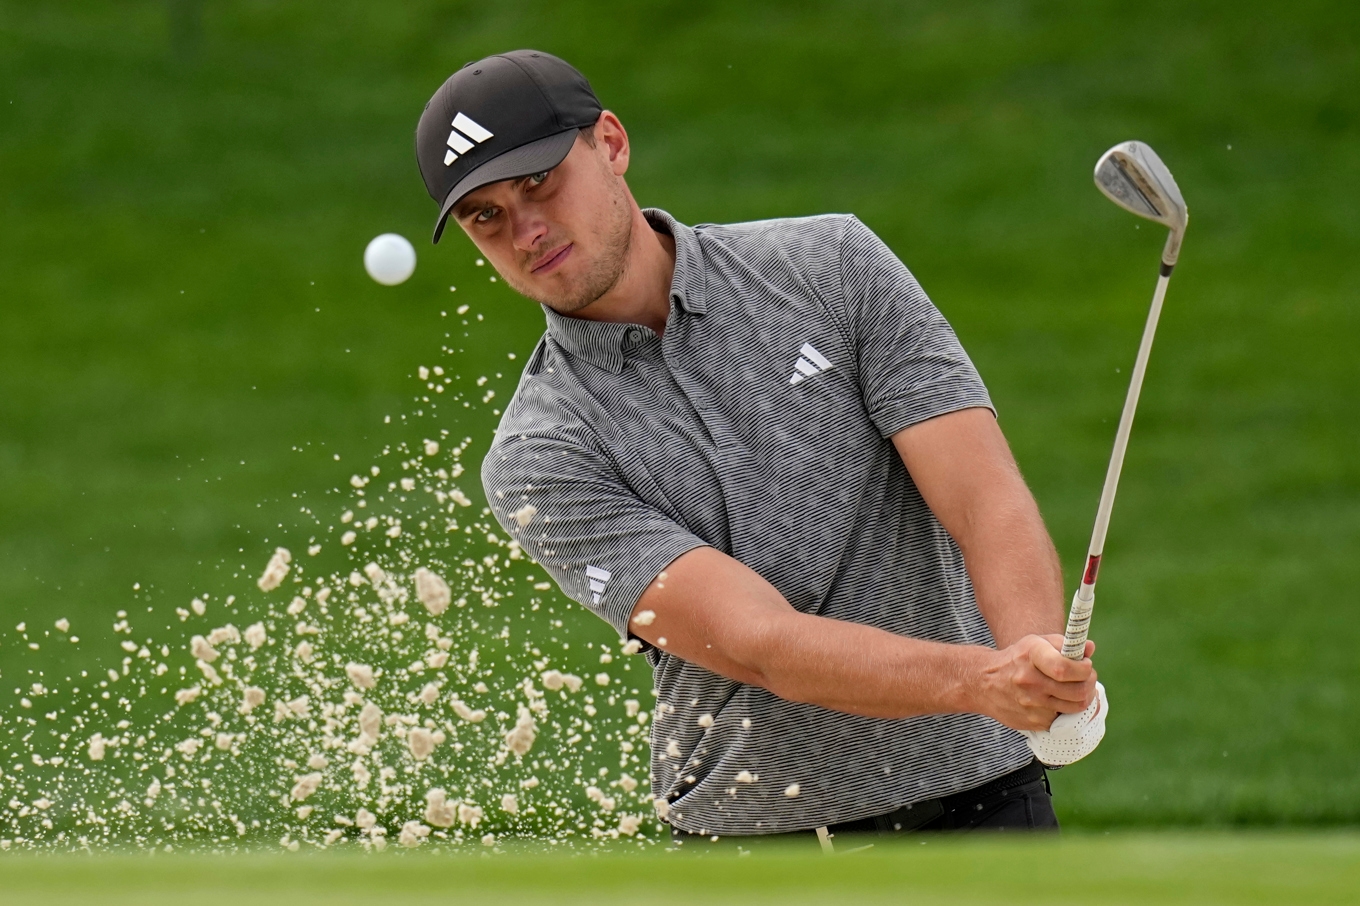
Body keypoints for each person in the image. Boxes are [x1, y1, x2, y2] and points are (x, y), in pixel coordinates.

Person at [414, 50, 1098, 842]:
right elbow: (763, 643)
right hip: (755, 847)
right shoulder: (539, 455)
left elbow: (985, 501)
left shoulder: (832, 265)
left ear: (610, 143)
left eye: (540, 183)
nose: (527, 231)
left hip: (985, 801)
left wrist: (1036, 660)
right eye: (485, 217)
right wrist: (985, 679)